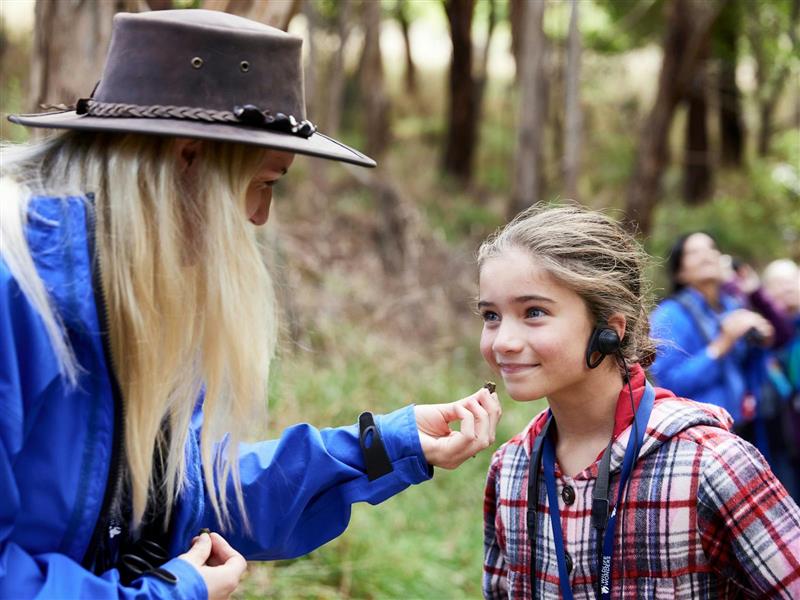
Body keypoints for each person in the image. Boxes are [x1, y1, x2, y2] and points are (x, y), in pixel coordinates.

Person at [0, 10, 501, 599]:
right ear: (188, 159)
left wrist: (387, 444)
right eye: (265, 182)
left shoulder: (144, 290)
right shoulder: (18, 289)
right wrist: (172, 593)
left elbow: (191, 496)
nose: (260, 217)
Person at [478, 205, 800, 598]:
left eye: (534, 312)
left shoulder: (712, 464)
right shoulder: (509, 469)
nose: (503, 341)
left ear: (609, 329)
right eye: (491, 315)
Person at [649, 233, 799, 499]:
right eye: (694, 252)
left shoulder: (732, 306)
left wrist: (758, 342)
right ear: (680, 272)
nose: (707, 254)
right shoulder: (668, 316)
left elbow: (752, 365)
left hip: (749, 429)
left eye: (712, 248)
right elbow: (670, 382)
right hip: (703, 442)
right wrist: (722, 343)